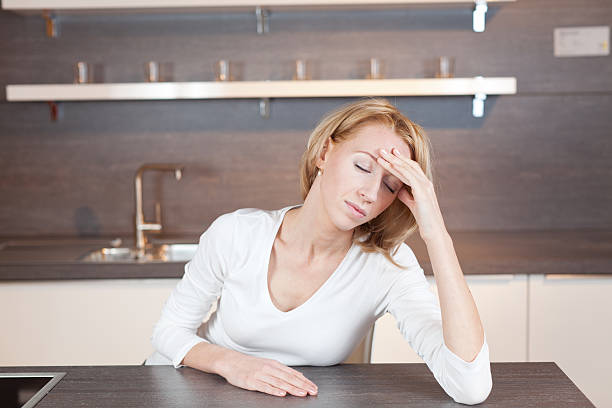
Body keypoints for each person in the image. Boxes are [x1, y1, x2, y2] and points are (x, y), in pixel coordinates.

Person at [146, 98, 492, 405]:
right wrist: (232, 364)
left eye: (390, 185)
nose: (371, 193)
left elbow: (470, 387)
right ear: (324, 153)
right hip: (184, 388)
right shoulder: (237, 232)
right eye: (363, 166)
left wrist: (437, 236)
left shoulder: (388, 265)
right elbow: (168, 332)